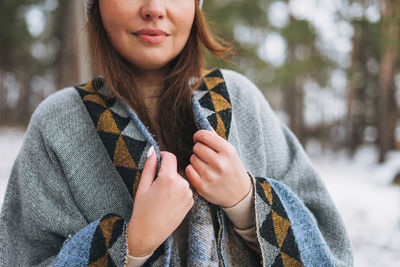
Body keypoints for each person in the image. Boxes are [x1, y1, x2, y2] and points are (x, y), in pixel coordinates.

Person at [0, 0, 353, 266]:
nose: (154, 8)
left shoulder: (240, 100)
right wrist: (132, 245)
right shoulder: (59, 121)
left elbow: (331, 247)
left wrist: (247, 203)